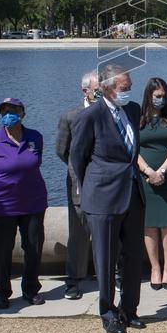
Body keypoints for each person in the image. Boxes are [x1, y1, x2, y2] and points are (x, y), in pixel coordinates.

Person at [70, 65, 147, 333]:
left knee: (134, 257)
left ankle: (130, 308)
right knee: (104, 258)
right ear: (107, 88)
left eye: (130, 86)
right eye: (124, 87)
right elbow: (77, 158)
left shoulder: (134, 110)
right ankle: (108, 312)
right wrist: (91, 189)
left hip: (133, 194)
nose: (129, 90)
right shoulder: (90, 116)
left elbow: (133, 150)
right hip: (102, 198)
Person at [0, 97, 49, 309]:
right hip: (2, 205)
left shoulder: (35, 137)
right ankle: (2, 292)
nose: (7, 115)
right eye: (3, 112)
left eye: (12, 111)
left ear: (22, 114)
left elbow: (34, 164)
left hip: (33, 202)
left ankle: (30, 289)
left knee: (33, 247)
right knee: (2, 250)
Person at [55, 71, 99, 300]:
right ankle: (74, 280)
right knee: (79, 232)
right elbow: (62, 150)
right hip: (79, 183)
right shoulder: (70, 116)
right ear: (86, 91)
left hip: (106, 182)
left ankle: (110, 274)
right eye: (97, 89)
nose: (101, 93)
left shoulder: (112, 113)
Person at [138, 77, 167, 290]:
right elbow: (133, 148)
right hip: (144, 177)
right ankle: (154, 268)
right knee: (149, 225)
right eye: (157, 96)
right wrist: (149, 171)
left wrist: (162, 171)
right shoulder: (138, 118)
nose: (161, 100)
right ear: (149, 96)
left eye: (164, 96)